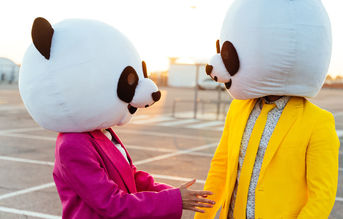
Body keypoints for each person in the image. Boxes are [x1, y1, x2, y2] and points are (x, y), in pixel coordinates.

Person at [19, 17, 214, 219]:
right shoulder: (73, 145)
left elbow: (132, 176)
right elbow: (112, 204)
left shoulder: (101, 131)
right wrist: (173, 200)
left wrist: (172, 193)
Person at [195, 0, 339, 219]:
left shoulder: (319, 123)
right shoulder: (238, 108)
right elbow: (220, 165)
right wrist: (202, 216)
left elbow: (322, 195)